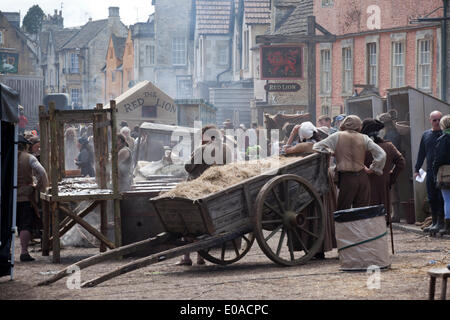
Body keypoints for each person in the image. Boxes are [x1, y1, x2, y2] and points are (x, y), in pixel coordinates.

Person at [178, 125, 232, 266]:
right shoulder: (226, 149)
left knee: (188, 224)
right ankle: (201, 258)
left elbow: (188, 167)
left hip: (196, 189)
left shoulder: (202, 150)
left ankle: (186, 257)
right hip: (217, 190)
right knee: (205, 225)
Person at [312, 115, 386, 210]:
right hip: (363, 178)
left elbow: (316, 147)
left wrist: (331, 153)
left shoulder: (337, 136)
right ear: (359, 126)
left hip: (347, 178)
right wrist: (373, 168)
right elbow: (382, 154)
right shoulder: (364, 138)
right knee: (361, 212)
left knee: (343, 212)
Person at [361, 119, 405, 222]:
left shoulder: (360, 148)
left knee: (367, 219)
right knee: (382, 218)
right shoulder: (388, 146)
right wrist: (390, 178)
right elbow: (401, 163)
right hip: (383, 184)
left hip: (364, 186)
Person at [17, 135, 49, 261]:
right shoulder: (29, 158)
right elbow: (42, 172)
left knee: (8, 225)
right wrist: (40, 187)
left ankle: (6, 254)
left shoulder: (5, 156)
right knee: (25, 224)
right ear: (25, 146)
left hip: (8, 197)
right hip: (25, 196)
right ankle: (24, 252)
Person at [414, 111, 444, 234]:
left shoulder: (445, 134)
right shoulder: (426, 135)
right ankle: (435, 221)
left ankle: (441, 223)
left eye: (439, 120)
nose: (437, 122)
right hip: (430, 171)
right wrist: (417, 169)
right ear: (430, 120)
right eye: (434, 120)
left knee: (441, 197)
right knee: (431, 197)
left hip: (442, 171)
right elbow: (422, 153)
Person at [433, 115, 450, 235]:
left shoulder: (443, 139)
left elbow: (438, 159)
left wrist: (434, 171)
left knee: (447, 200)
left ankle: (448, 227)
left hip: (446, 173)